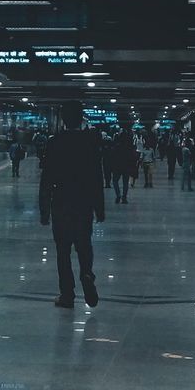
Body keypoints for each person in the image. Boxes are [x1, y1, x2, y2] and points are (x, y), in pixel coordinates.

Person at [40, 100, 105, 309]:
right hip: (83, 201)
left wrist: (44, 209)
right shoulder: (90, 143)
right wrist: (99, 207)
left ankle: (67, 294)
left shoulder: (54, 142)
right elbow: (97, 176)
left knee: (63, 250)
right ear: (81, 118)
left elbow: (46, 177)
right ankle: (86, 273)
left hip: (60, 201)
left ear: (63, 119)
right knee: (84, 244)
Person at [113, 128, 136, 204]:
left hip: (117, 165)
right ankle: (124, 197)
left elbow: (113, 155)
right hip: (126, 166)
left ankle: (118, 195)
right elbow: (132, 157)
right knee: (125, 182)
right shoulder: (129, 146)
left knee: (115, 181)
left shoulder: (117, 145)